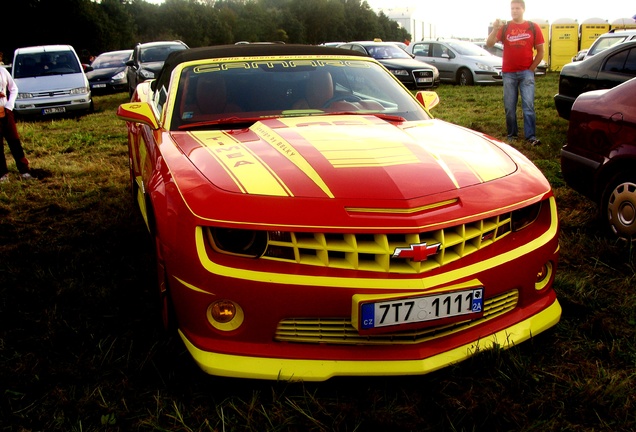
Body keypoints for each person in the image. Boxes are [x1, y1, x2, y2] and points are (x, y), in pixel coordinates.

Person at [487, 0, 544, 146]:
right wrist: (494, 29)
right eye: (512, 8)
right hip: (509, 73)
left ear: (523, 9)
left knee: (528, 106)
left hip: (526, 73)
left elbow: (541, 51)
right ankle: (512, 135)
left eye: (517, 8)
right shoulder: (505, 27)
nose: (514, 11)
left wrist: (531, 69)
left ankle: (530, 137)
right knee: (509, 106)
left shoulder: (533, 27)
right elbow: (489, 44)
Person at [0, 65, 32, 182]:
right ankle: (3, 173)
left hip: (5, 111)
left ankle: (24, 170)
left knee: (14, 141)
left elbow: (13, 88)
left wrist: (9, 106)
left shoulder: (2, 71)